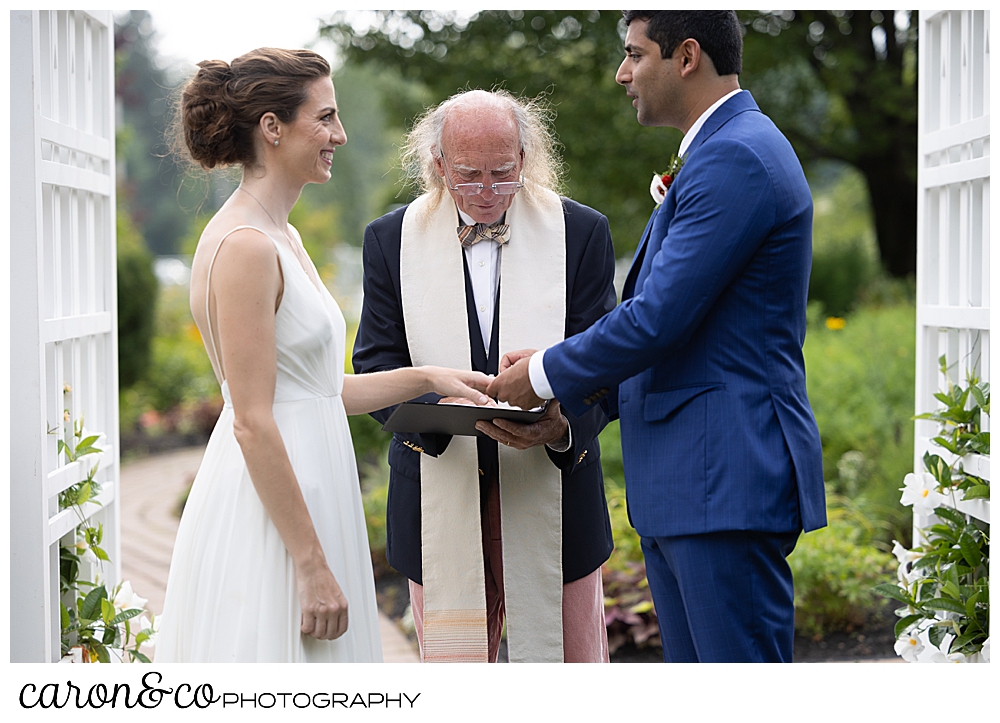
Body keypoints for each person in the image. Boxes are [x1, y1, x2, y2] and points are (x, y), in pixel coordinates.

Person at [488, 11, 827, 663]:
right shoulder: (719, 150)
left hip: (723, 479)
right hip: (692, 484)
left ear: (688, 56)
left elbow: (658, 318)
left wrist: (540, 375)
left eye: (635, 55)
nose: (622, 73)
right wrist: (572, 409)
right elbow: (684, 331)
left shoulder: (738, 156)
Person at [154, 48, 490, 663]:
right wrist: (310, 566)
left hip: (315, 483)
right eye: (326, 117)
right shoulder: (247, 246)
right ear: (273, 128)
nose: (339, 134)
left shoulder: (284, 234)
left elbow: (314, 388)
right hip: (276, 511)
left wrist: (429, 376)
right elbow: (253, 419)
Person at [352, 89, 617, 663]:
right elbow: (374, 362)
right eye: (468, 175)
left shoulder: (583, 232)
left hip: (554, 493)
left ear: (524, 157)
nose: (487, 193)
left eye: (502, 173)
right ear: (438, 163)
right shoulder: (389, 239)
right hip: (437, 489)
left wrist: (562, 423)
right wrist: (432, 413)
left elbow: (607, 365)